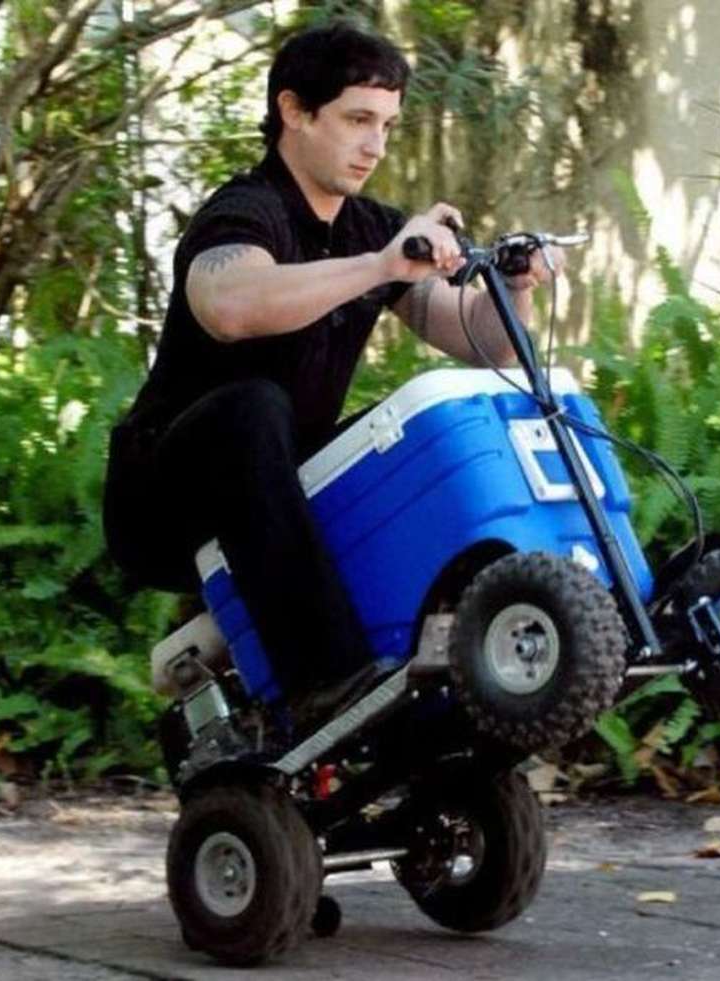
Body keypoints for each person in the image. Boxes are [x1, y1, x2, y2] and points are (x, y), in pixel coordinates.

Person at [103, 21, 559, 730]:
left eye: (386, 125)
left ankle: (449, 665)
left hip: (284, 485)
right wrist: (379, 267)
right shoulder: (244, 211)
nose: (375, 145)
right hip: (164, 497)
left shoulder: (370, 227)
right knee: (252, 407)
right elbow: (229, 305)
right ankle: (324, 679)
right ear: (294, 110)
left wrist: (514, 285)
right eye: (357, 120)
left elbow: (482, 342)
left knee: (413, 433)